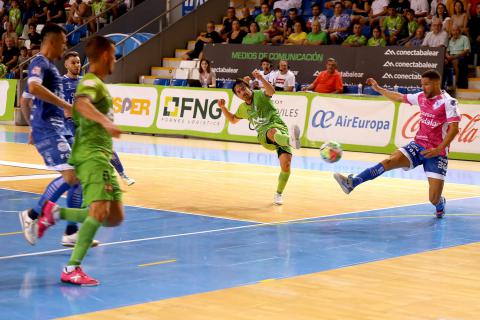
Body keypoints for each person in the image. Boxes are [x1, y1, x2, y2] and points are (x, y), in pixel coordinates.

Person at [22, 35, 124, 286]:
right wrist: (105, 121)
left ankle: (55, 213)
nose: (115, 60)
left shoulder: (95, 82)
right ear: (103, 56)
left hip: (101, 154)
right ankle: (72, 268)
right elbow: (80, 104)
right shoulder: (90, 82)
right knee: (98, 211)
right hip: (91, 156)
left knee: (114, 217)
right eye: (113, 55)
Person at [334, 70, 461, 219]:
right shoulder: (420, 97)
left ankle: (440, 204)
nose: (423, 87)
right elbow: (399, 97)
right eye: (422, 84)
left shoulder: (448, 102)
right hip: (418, 145)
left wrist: (439, 149)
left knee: (433, 198)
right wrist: (378, 89)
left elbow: (454, 129)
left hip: (437, 153)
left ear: (436, 83)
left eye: (426, 84)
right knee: (389, 161)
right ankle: (353, 183)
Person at [217, 71, 301, 205]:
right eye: (238, 92)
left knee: (286, 166)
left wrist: (261, 78)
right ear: (237, 96)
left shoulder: (260, 95)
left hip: (281, 129)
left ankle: (278, 194)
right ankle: (290, 141)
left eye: (243, 88)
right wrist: (223, 108)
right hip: (264, 135)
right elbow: (232, 120)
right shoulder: (243, 108)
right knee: (272, 131)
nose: (242, 92)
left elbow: (272, 91)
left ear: (248, 87)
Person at [61, 51, 136, 186]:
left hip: (88, 121)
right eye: (73, 62)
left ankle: (123, 174)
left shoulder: (85, 82)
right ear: (66, 64)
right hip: (70, 124)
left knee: (105, 146)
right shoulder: (60, 82)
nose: (77, 65)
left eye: (78, 62)